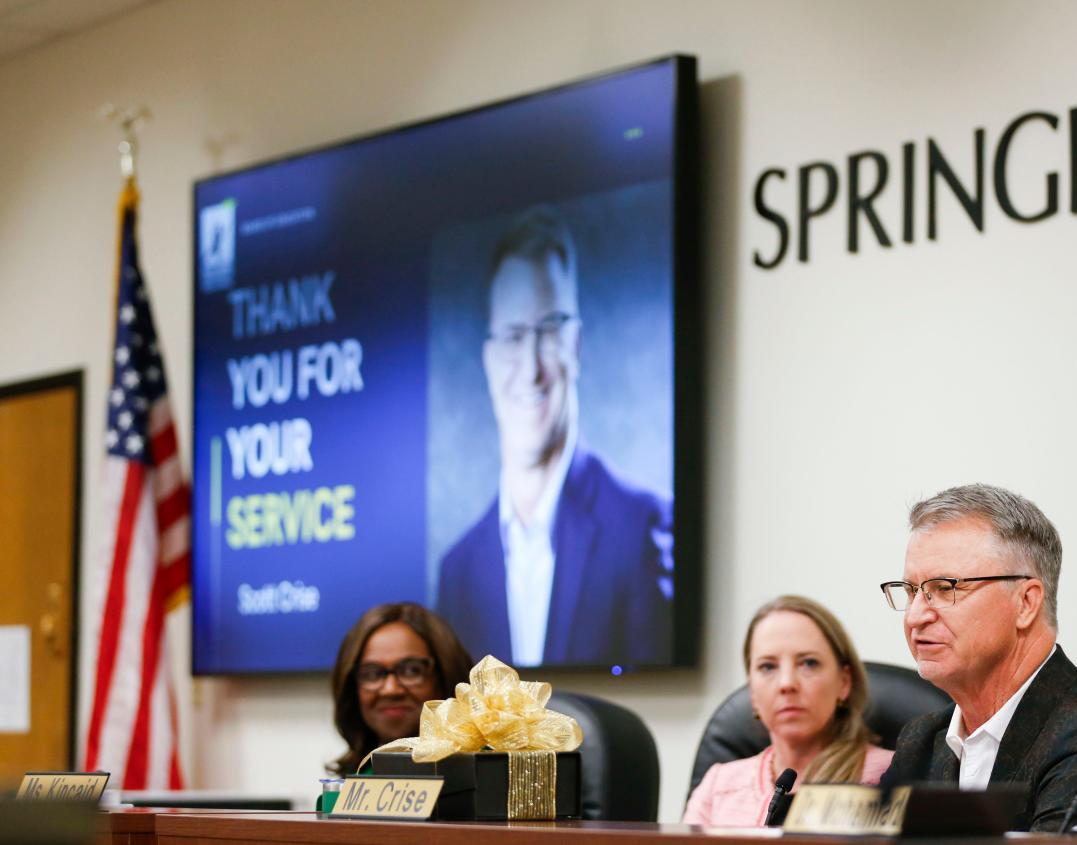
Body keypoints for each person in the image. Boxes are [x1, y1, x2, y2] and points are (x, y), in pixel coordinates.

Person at [436, 206, 673, 667]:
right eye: (512, 335)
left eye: (548, 331)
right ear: (488, 357)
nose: (530, 368)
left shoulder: (643, 525)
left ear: (576, 345)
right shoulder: (457, 570)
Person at [879, 484, 1077, 831]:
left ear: (1026, 603)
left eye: (945, 588)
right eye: (912, 592)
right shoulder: (921, 741)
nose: (915, 617)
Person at [684, 596, 893, 826]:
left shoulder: (890, 775)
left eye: (808, 663)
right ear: (752, 691)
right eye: (768, 667)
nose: (786, 683)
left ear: (843, 682)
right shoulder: (718, 786)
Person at [328, 602, 473, 776]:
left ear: (447, 674)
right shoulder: (349, 786)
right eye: (372, 673)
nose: (391, 689)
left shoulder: (480, 777)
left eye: (412, 670)